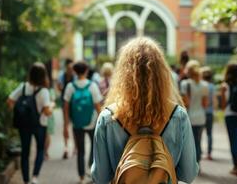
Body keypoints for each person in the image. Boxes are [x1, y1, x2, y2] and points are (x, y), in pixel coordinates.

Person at [92, 37, 199, 184]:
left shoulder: (108, 117)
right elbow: (188, 174)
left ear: (123, 75)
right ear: (161, 74)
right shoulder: (177, 115)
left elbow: (100, 177)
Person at [7, 62, 53, 184]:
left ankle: (26, 180)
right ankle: (35, 177)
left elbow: (10, 101)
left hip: (24, 125)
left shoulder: (23, 87)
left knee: (25, 152)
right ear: (44, 75)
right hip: (40, 124)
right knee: (40, 150)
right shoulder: (44, 91)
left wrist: (19, 110)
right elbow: (48, 112)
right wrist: (52, 106)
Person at [63, 61, 102, 184]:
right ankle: (91, 168)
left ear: (74, 71)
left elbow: (65, 107)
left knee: (80, 150)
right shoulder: (92, 86)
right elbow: (98, 106)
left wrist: (66, 124)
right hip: (91, 122)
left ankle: (81, 177)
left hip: (77, 123)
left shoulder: (70, 87)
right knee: (94, 146)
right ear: (86, 71)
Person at [180, 60, 208, 166]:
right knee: (198, 140)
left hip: (189, 117)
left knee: (189, 142)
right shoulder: (204, 85)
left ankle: (191, 164)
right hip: (201, 117)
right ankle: (198, 162)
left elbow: (185, 103)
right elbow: (205, 104)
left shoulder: (185, 84)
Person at [57, 58, 74, 159]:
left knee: (69, 125)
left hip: (70, 103)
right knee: (67, 125)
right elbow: (58, 87)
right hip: (67, 103)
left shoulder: (70, 77)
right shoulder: (62, 76)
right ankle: (67, 146)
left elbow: (59, 88)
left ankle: (69, 147)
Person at [201, 66, 217, 160]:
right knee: (209, 133)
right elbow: (215, 101)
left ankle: (199, 152)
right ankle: (209, 153)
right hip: (210, 112)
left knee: (199, 134)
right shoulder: (212, 86)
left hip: (201, 112)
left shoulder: (201, 85)